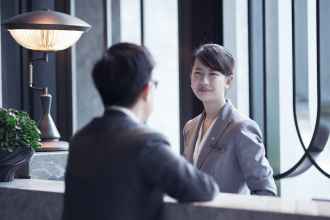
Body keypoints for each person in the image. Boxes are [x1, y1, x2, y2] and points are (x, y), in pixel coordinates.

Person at [63, 42, 219, 220]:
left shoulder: (79, 139)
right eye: (155, 83)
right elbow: (203, 189)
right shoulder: (146, 143)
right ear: (146, 90)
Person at [183, 43, 277, 196]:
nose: (204, 81)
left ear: (228, 81)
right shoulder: (190, 127)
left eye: (213, 74)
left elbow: (265, 189)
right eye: (198, 73)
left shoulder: (242, 127)